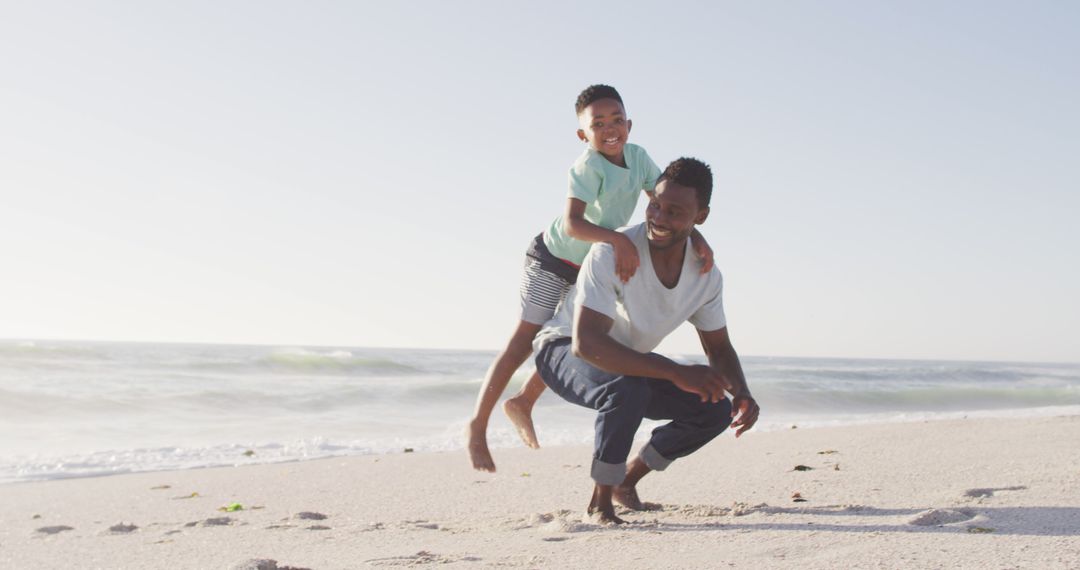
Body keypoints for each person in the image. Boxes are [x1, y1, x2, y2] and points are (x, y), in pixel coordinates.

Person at [467, 86, 715, 472]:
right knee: (523, 341)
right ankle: (477, 428)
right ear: (584, 135)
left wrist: (698, 239)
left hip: (591, 262)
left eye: (617, 119)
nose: (610, 129)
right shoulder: (587, 167)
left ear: (629, 124)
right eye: (598, 124)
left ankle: (524, 401)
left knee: (580, 335)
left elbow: (667, 203)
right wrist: (617, 239)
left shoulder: (638, 157)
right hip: (556, 258)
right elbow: (573, 224)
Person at [532, 157, 759, 524]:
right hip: (561, 348)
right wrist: (673, 371)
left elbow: (717, 347)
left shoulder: (705, 276)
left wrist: (743, 393)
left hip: (627, 365)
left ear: (701, 216)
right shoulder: (612, 250)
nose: (659, 218)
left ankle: (626, 481)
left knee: (714, 408)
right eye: (655, 204)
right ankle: (599, 503)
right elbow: (587, 343)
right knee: (626, 391)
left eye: (675, 211)